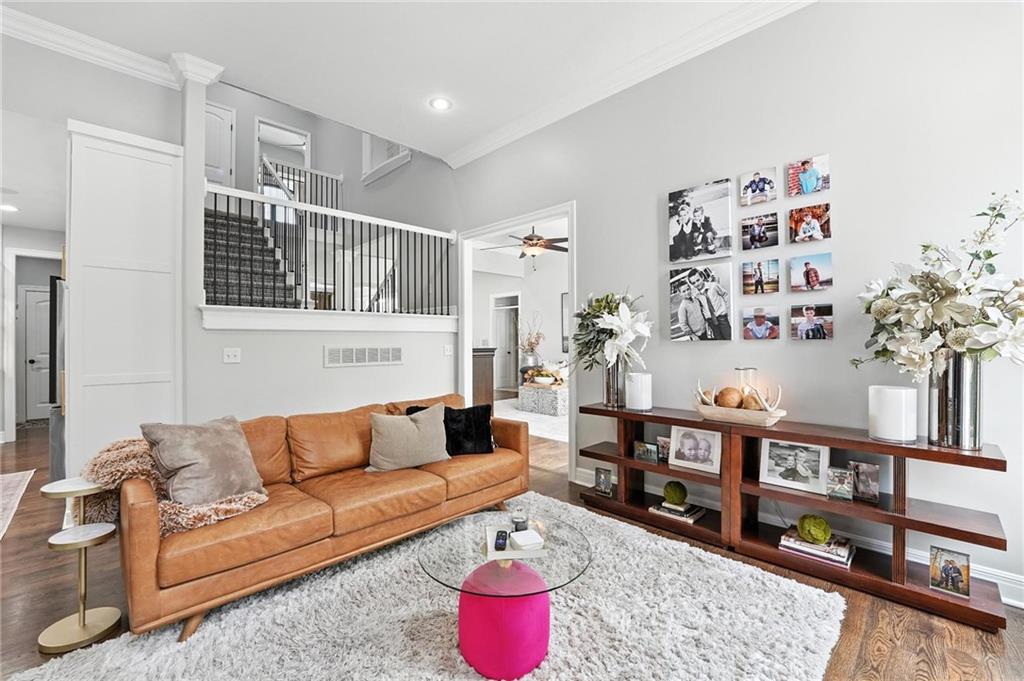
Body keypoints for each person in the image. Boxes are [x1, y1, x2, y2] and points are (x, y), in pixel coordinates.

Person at [687, 268, 731, 340]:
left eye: (698, 280)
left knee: (729, 337)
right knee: (719, 340)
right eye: (694, 283)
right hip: (710, 321)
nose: (697, 284)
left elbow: (725, 295)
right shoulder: (695, 295)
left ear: (702, 277)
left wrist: (727, 309)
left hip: (721, 316)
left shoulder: (713, 286)